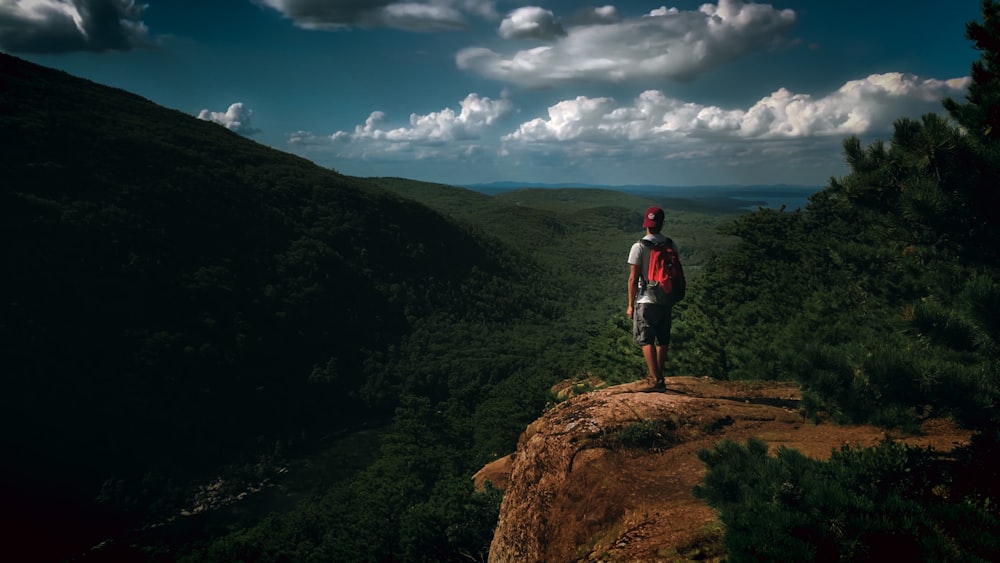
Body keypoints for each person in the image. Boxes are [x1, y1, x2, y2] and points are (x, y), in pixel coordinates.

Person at [626, 206, 680, 392]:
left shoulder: (639, 246)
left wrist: (630, 305)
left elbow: (633, 279)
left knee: (645, 339)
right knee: (662, 339)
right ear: (662, 223)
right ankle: (658, 375)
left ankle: (656, 379)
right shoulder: (670, 244)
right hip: (666, 298)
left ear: (646, 224)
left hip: (646, 299)